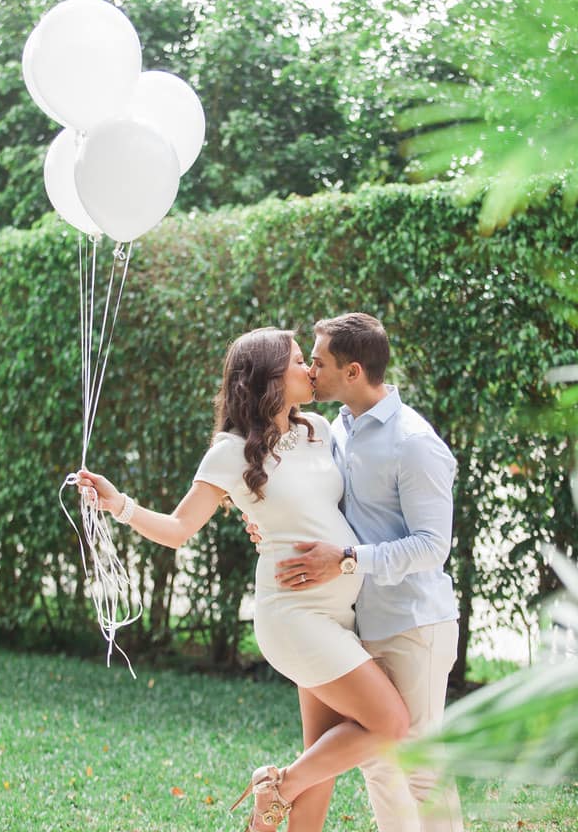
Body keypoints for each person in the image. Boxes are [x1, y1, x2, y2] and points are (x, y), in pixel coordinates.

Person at [76, 327, 409, 832]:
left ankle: (280, 797)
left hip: (338, 614)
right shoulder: (229, 452)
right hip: (294, 617)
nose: (310, 370)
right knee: (392, 724)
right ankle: (277, 787)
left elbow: (328, 506)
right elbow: (178, 528)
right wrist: (119, 504)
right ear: (271, 378)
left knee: (323, 761)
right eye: (300, 362)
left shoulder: (319, 428)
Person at [250, 312, 464, 832]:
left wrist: (346, 558)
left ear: (353, 371)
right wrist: (266, 526)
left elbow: (433, 547)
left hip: (414, 623)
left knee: (419, 768)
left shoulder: (413, 442)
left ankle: (282, 785)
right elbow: (319, 505)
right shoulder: (333, 430)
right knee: (376, 765)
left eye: (318, 362)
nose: (309, 370)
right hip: (356, 622)